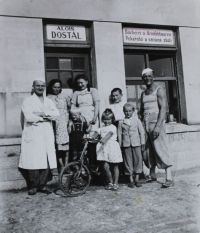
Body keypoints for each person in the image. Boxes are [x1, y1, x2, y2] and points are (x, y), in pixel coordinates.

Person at [18, 78, 59, 195]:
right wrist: (46, 117)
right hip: (34, 133)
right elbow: (29, 117)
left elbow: (56, 114)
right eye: (38, 86)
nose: (40, 88)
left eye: (42, 86)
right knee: (33, 159)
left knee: (46, 158)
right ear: (33, 87)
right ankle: (33, 186)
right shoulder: (28, 101)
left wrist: (41, 114)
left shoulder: (49, 101)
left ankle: (43, 184)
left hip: (46, 132)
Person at [140, 68, 174, 188]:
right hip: (146, 122)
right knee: (148, 150)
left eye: (149, 76)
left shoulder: (159, 90)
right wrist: (142, 127)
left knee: (160, 148)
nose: (147, 78)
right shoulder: (143, 93)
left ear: (153, 77)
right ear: (142, 78)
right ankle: (152, 175)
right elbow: (141, 110)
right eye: (145, 77)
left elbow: (163, 109)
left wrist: (158, 126)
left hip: (156, 122)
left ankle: (169, 177)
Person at [71, 74, 100, 170]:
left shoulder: (93, 91)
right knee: (82, 143)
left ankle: (93, 167)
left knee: (92, 142)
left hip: (92, 117)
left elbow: (97, 104)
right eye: (78, 83)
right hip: (80, 119)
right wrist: (77, 117)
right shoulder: (75, 93)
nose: (80, 85)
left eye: (82, 82)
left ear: (86, 82)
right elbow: (72, 108)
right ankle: (83, 169)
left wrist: (95, 117)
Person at [91, 109, 123, 191]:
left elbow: (110, 134)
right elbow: (96, 133)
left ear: (112, 120)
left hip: (112, 147)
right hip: (104, 148)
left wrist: (104, 139)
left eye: (108, 119)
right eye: (105, 119)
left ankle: (116, 183)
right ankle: (110, 182)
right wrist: (91, 138)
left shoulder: (113, 127)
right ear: (102, 119)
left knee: (115, 165)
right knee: (105, 165)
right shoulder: (101, 128)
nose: (106, 121)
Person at [118, 103, 145, 188]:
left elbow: (141, 132)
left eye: (130, 111)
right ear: (123, 111)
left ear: (133, 111)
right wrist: (120, 145)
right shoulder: (121, 122)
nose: (128, 113)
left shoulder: (137, 121)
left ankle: (137, 179)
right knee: (128, 161)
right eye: (126, 111)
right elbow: (119, 134)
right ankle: (130, 180)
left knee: (138, 160)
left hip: (136, 143)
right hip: (126, 144)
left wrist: (142, 142)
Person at [47, 79, 71, 173]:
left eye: (58, 87)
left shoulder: (65, 97)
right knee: (58, 147)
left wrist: (70, 123)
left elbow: (70, 109)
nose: (56, 89)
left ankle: (66, 165)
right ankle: (61, 166)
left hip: (64, 124)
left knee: (66, 146)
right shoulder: (48, 98)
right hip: (54, 124)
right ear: (51, 87)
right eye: (54, 87)